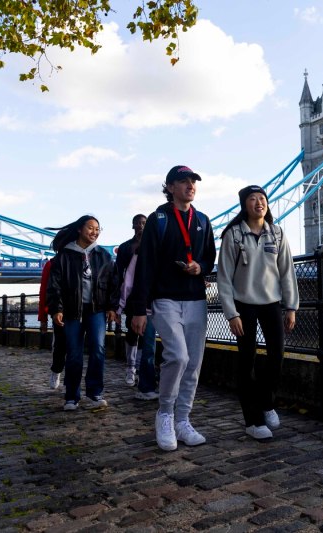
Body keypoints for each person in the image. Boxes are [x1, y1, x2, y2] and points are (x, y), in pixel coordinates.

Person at [129, 165, 216, 451]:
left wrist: (199, 267)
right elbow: (146, 264)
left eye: (193, 181)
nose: (190, 185)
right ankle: (165, 414)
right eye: (183, 181)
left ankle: (183, 420)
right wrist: (139, 308)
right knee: (177, 357)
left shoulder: (203, 219)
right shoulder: (159, 219)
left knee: (193, 363)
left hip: (195, 299)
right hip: (165, 298)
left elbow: (209, 258)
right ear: (169, 187)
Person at [216, 185, 299, 440]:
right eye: (252, 199)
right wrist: (231, 314)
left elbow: (287, 272)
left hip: (271, 303)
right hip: (244, 305)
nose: (258, 202)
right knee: (247, 360)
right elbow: (224, 277)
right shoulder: (233, 235)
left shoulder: (277, 233)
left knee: (278, 355)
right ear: (244, 205)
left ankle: (266, 402)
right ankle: (252, 420)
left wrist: (291, 306)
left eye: (262, 198)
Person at [46, 215, 118, 411]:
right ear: (79, 229)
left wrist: (112, 307)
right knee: (74, 353)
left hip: (96, 310)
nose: (94, 232)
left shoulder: (104, 256)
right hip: (71, 311)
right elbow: (55, 286)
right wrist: (56, 309)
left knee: (98, 349)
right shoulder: (64, 256)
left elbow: (113, 283)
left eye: (97, 229)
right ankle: (72, 396)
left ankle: (95, 393)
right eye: (90, 228)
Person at [115, 213, 160, 400]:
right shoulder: (127, 248)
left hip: (156, 301)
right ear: (133, 225)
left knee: (148, 339)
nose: (141, 226)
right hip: (134, 301)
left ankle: (144, 375)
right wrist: (118, 304)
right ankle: (131, 367)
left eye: (144, 223)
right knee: (133, 334)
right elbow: (123, 276)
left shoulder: (157, 245)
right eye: (138, 223)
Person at [38, 257, 67, 389]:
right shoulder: (51, 264)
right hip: (59, 310)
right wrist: (43, 318)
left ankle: (72, 382)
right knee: (60, 344)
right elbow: (44, 291)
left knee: (76, 347)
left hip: (80, 309)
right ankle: (56, 370)